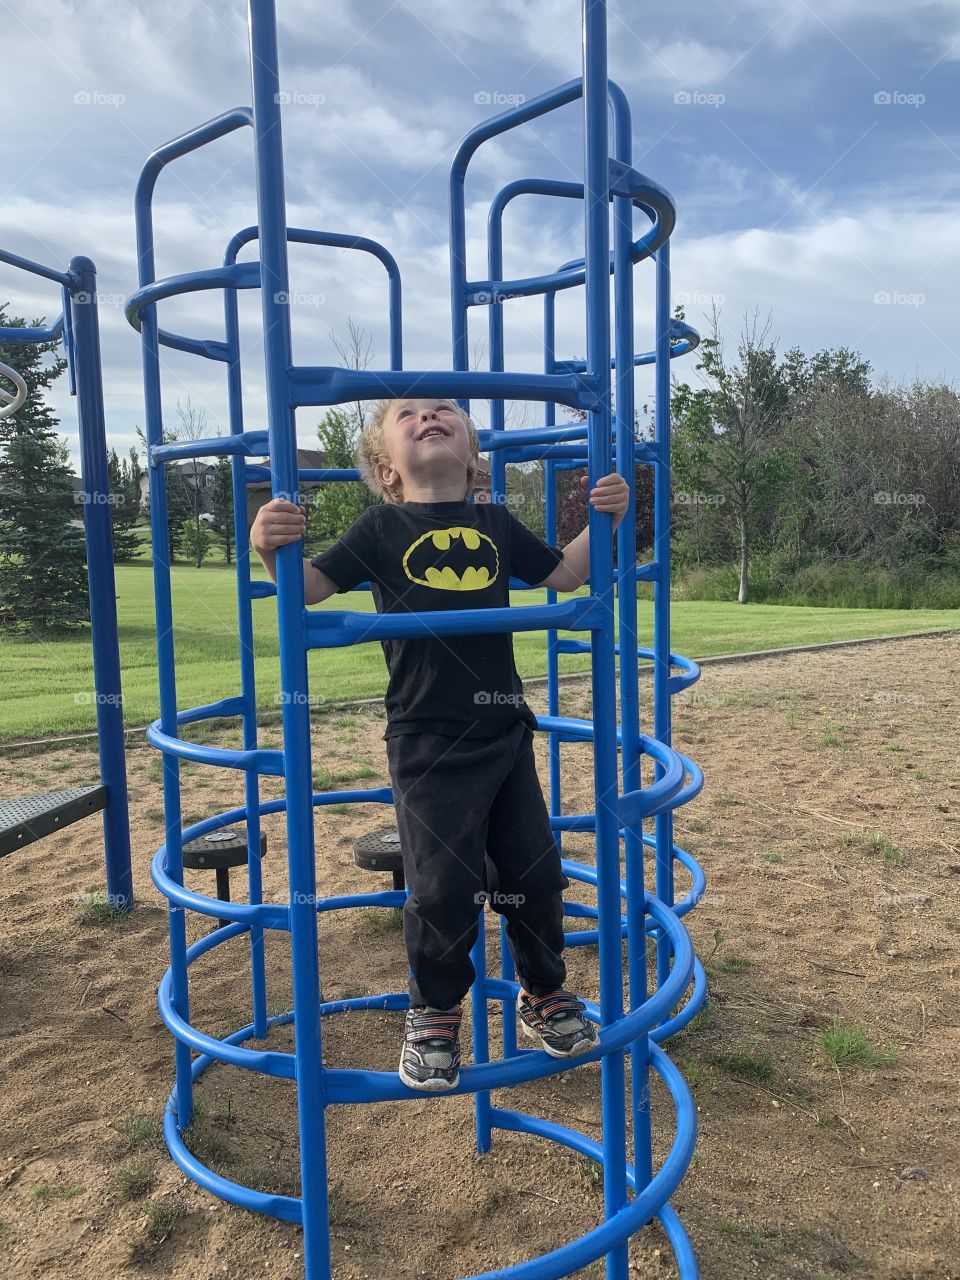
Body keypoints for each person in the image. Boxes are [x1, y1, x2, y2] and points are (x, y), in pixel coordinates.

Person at [250, 397, 629, 1091]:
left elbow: (566, 575)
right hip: (427, 739)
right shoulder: (379, 527)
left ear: (475, 457)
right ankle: (434, 1011)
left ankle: (543, 992)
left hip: (505, 729)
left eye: (446, 409)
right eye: (409, 415)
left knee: (535, 874)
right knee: (442, 887)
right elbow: (306, 590)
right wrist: (268, 544)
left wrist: (606, 516)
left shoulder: (493, 523)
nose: (430, 415)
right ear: (386, 469)